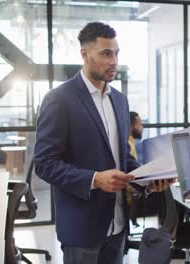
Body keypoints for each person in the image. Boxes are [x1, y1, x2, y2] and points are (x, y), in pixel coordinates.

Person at [34, 22, 172, 264]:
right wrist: (95, 179)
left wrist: (147, 181)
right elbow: (44, 164)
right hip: (81, 229)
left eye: (116, 53)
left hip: (118, 226)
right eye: (106, 54)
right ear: (84, 54)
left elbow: (122, 158)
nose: (114, 62)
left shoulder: (119, 101)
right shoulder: (59, 99)